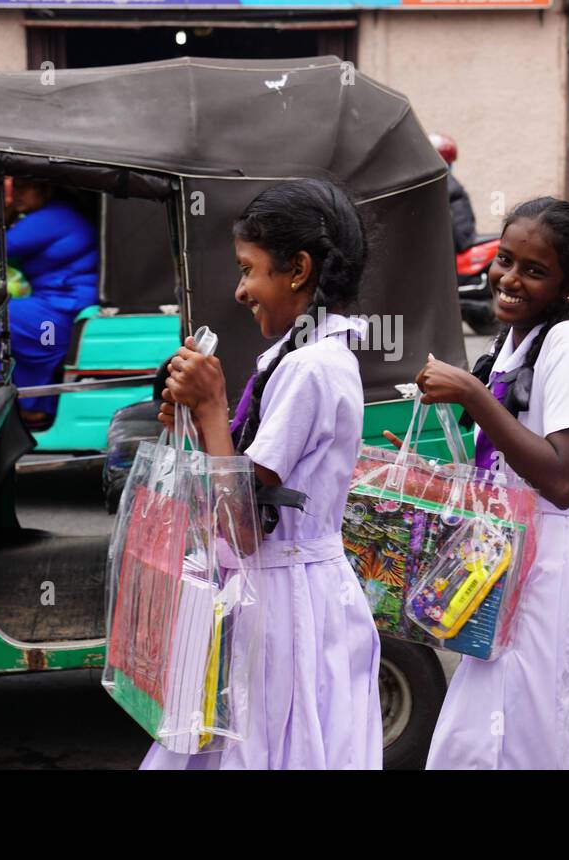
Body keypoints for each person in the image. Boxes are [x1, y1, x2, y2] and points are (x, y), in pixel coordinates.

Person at [407, 197, 569, 769]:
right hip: (508, 559)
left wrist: (473, 395)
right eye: (504, 260)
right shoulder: (517, 343)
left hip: (552, 565)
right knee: (515, 725)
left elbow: (562, 476)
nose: (509, 278)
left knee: (535, 728)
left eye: (534, 270)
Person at [140, 179, 382, 769]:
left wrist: (213, 410)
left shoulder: (311, 369)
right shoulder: (297, 357)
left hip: (288, 600)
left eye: (249, 270)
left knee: (274, 745)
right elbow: (242, 475)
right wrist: (199, 420)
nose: (241, 288)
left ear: (298, 269)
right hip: (280, 591)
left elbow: (244, 525)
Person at [0, 179, 98, 428]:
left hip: (63, 309)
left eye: (23, 188)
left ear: (47, 189)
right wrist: (10, 211)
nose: (15, 194)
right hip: (56, 304)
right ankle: (33, 405)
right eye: (14, 187)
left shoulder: (52, 217)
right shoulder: (47, 215)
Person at [430, 132, 477, 253]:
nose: (450, 166)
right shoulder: (448, 184)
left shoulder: (443, 184)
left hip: (453, 250)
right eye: (449, 162)